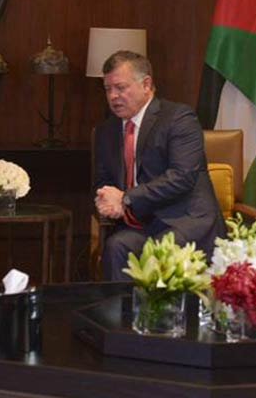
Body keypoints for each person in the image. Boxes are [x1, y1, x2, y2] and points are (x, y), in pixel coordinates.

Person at [93, 51, 225, 281]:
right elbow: (103, 180)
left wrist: (126, 198)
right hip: (144, 224)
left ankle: (163, 307)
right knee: (117, 246)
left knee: (160, 251)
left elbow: (182, 177)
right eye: (107, 89)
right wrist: (105, 198)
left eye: (120, 88)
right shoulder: (107, 131)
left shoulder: (179, 118)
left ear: (146, 84)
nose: (113, 96)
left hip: (185, 220)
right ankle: (123, 306)